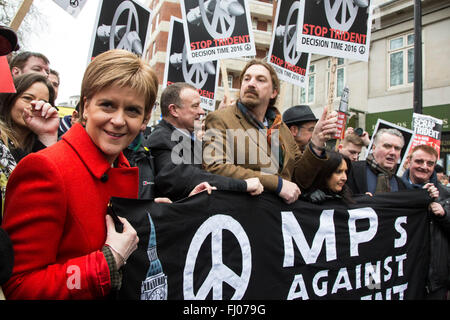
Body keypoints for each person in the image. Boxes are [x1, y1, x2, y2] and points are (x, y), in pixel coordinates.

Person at [1, 49, 161, 299]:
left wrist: (165, 212)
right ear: (86, 106)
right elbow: (21, 286)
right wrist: (107, 261)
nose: (118, 120)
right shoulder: (45, 169)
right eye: (107, 105)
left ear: (144, 119)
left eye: (132, 110)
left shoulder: (122, 168)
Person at [203, 59, 337, 204]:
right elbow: (215, 167)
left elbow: (299, 177)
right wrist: (277, 184)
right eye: (246, 79)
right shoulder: (220, 119)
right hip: (242, 211)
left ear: (273, 92)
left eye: (260, 80)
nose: (251, 84)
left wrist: (316, 142)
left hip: (279, 217)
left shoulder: (281, 127)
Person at [148, 82, 263, 201]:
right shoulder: (160, 138)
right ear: (174, 110)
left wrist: (222, 116)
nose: (202, 111)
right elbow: (185, 177)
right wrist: (242, 185)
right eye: (195, 106)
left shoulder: (189, 137)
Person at [400, 144, 450, 299]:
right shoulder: (395, 189)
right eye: (419, 161)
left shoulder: (445, 194)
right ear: (408, 161)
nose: (424, 167)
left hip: (434, 281)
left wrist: (443, 215)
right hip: (403, 277)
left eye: (430, 163)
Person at [0, 73, 59, 164]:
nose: (35, 106)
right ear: (10, 99)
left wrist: (47, 136)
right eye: (27, 98)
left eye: (42, 102)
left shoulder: (45, 143)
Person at [346, 128, 407, 195]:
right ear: (374, 148)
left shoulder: (402, 186)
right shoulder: (351, 169)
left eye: (397, 148)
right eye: (387, 146)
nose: (393, 152)